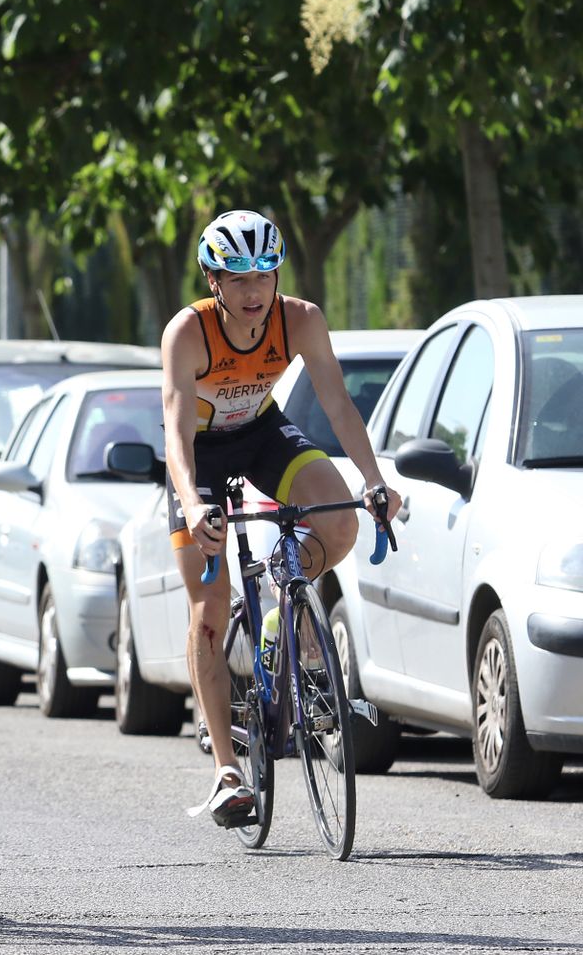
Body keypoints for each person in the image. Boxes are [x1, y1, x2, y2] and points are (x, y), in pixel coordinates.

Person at [160, 209, 400, 828]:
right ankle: (226, 772)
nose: (252, 291)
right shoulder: (187, 332)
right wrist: (193, 506)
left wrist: (374, 482)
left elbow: (338, 406)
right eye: (236, 277)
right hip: (201, 455)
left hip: (262, 434)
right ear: (214, 281)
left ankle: (282, 601)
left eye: (263, 275)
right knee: (209, 610)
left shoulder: (302, 319)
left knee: (338, 520)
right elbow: (178, 436)